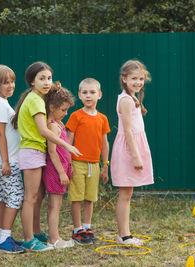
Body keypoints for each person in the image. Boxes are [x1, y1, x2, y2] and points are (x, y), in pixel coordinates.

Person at [11, 62, 81, 252]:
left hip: (35, 152)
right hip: (31, 152)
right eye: (41, 78)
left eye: (49, 78)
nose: (46, 82)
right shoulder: (35, 100)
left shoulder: (37, 99)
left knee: (38, 195)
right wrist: (67, 145)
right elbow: (43, 130)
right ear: (32, 81)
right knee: (31, 198)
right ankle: (28, 239)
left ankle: (36, 232)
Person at [111, 60, 154, 245]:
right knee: (125, 193)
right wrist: (136, 156)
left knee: (127, 193)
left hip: (134, 146)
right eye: (134, 78)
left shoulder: (133, 98)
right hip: (129, 150)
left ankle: (125, 233)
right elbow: (127, 130)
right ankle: (124, 235)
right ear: (124, 79)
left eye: (141, 78)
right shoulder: (127, 100)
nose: (138, 82)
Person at [65, 78, 110, 245]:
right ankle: (77, 230)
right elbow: (68, 141)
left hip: (94, 164)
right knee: (76, 197)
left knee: (89, 198)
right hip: (77, 163)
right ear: (79, 95)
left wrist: (105, 165)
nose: (88, 96)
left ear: (99, 95)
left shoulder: (102, 119)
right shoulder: (76, 116)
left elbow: (104, 143)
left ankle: (87, 227)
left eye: (92, 92)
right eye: (85, 93)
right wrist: (68, 163)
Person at [0, 65, 25, 254]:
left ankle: (1, 235)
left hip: (5, 158)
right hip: (6, 159)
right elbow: (0, 133)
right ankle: (4, 239)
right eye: (5, 83)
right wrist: (5, 161)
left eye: (12, 81)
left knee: (3, 196)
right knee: (16, 196)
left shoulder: (2, 102)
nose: (10, 85)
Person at [42, 82, 75, 249]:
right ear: (52, 107)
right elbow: (52, 152)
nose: (66, 113)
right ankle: (54, 239)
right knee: (55, 206)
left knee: (57, 205)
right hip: (55, 171)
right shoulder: (52, 127)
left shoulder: (56, 124)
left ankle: (53, 237)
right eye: (63, 110)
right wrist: (62, 173)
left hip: (60, 170)